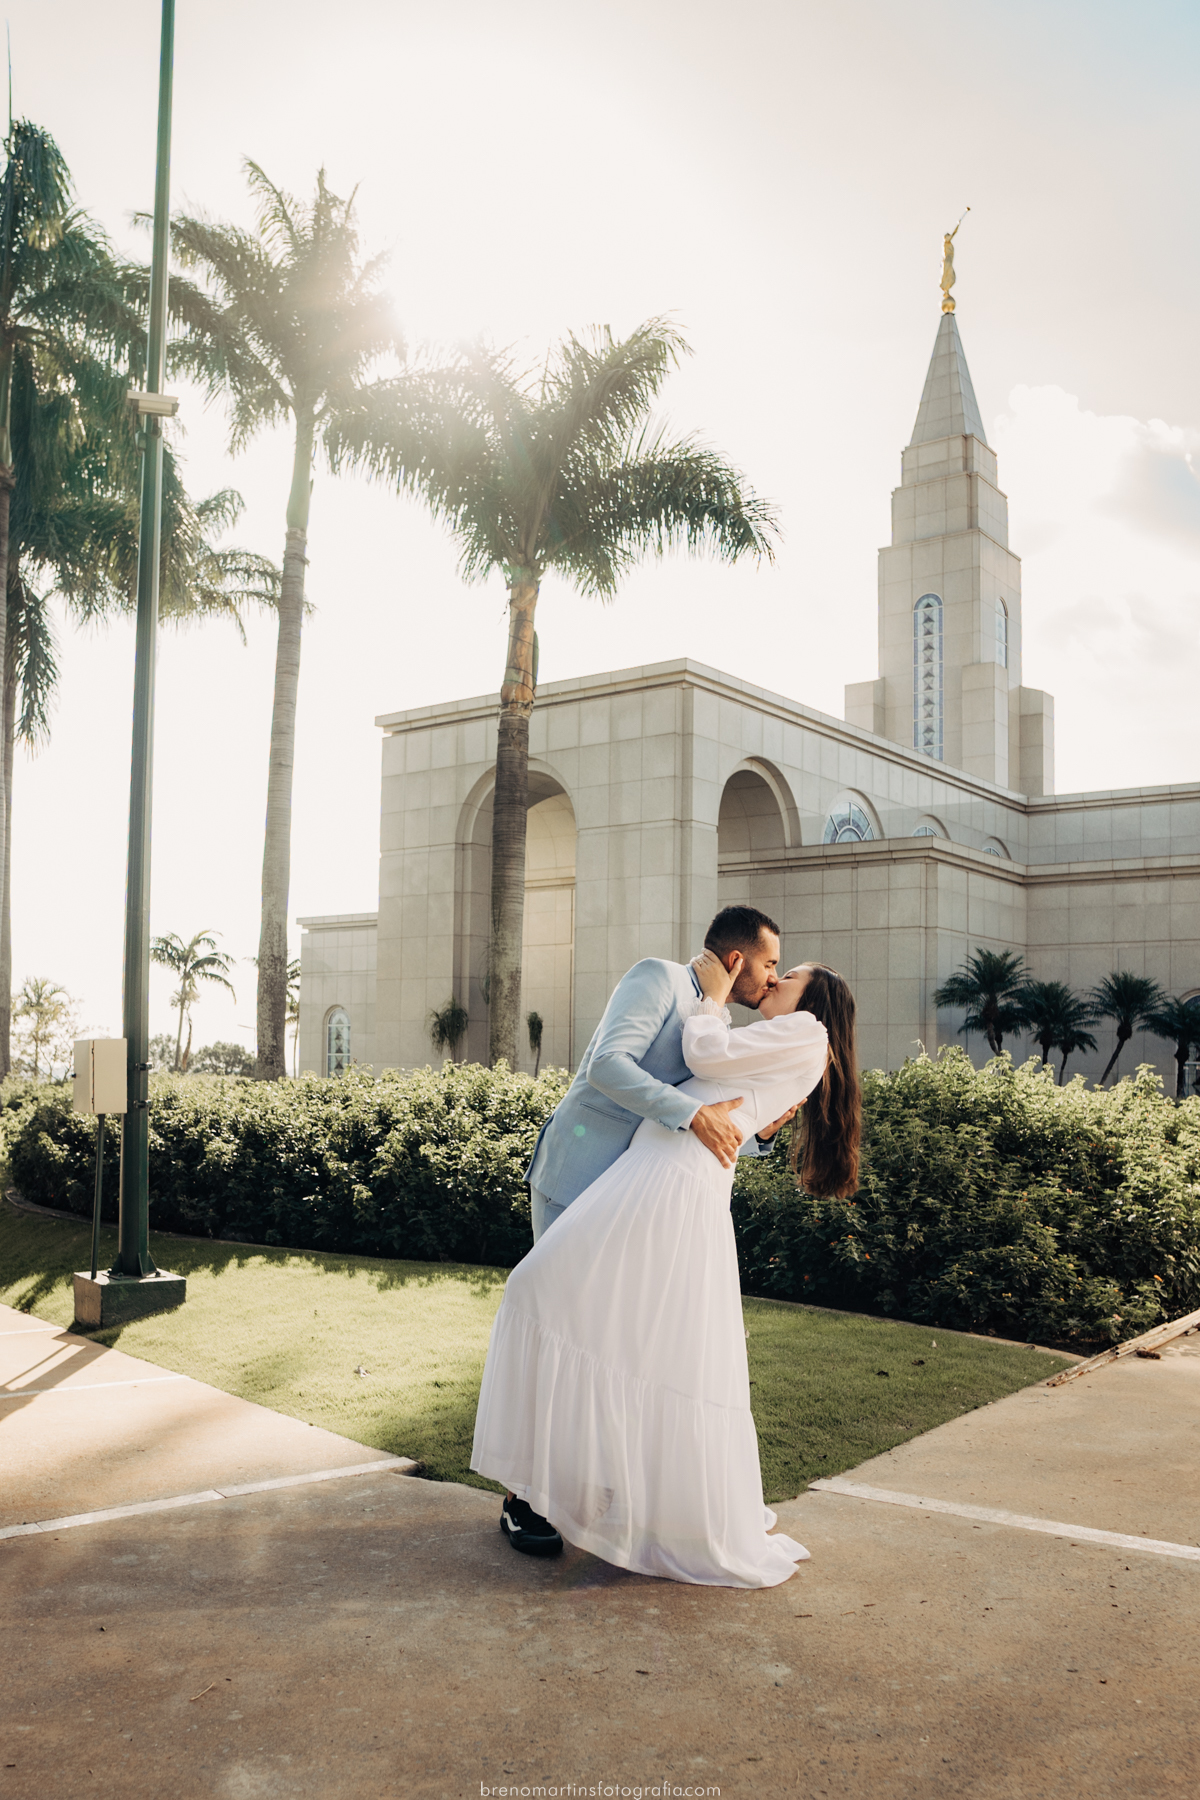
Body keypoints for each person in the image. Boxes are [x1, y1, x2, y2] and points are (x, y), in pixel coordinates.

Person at [471, 947, 862, 1587]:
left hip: (665, 1181)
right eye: (773, 965)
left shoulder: (802, 1031)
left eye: (789, 975)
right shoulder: (698, 997)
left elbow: (706, 1066)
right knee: (594, 1320)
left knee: (561, 1302)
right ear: (738, 956)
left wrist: (713, 1003)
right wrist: (752, 1122)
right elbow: (701, 1092)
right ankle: (545, 1492)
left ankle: (554, 1491)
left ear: (816, 1001)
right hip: (637, 1173)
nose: (776, 978)